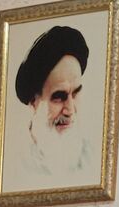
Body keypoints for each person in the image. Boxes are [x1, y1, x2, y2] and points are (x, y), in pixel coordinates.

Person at [10, 24, 93, 182]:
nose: (70, 110)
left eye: (76, 93)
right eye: (59, 97)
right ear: (34, 102)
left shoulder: (90, 154)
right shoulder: (18, 162)